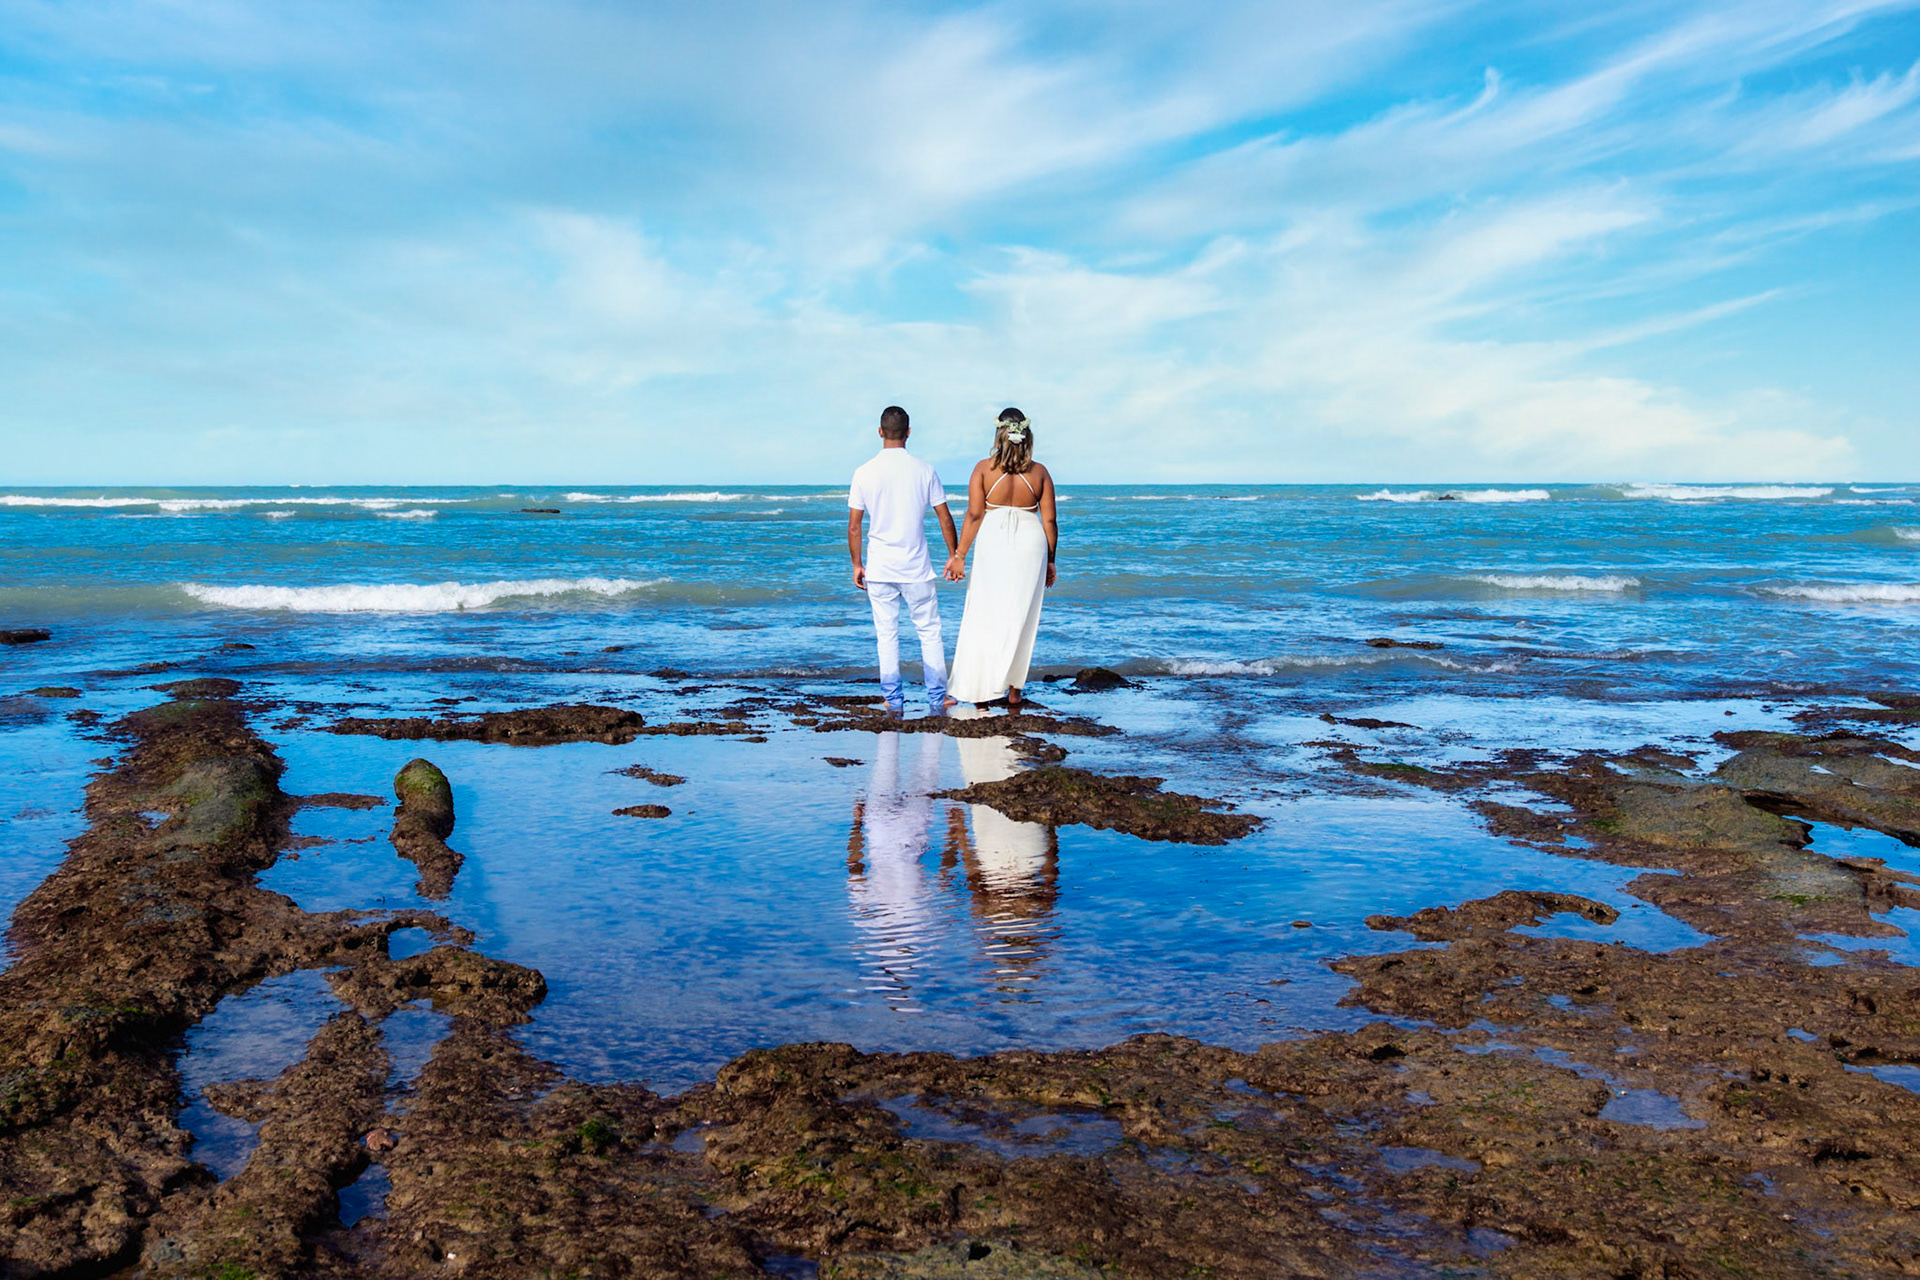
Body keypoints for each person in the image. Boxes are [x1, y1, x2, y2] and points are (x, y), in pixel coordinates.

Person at [848, 405, 959, 715]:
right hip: (916, 568)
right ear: (908, 433)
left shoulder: (864, 472)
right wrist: (953, 555)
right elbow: (944, 517)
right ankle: (937, 697)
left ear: (880, 432)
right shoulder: (924, 470)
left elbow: (855, 526)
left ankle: (893, 699)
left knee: (886, 634)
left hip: (880, 568)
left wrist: (857, 564)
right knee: (929, 631)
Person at [943, 408, 1057, 708]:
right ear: (1026, 435)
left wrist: (959, 555)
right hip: (1031, 542)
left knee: (985, 612)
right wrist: (1051, 560)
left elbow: (974, 514)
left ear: (999, 434)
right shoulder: (1040, 472)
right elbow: (1049, 521)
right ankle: (1014, 690)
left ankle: (981, 689)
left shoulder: (983, 469)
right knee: (1021, 614)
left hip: (993, 539)